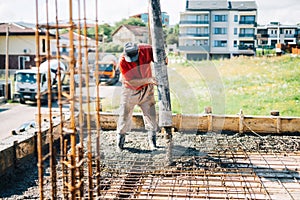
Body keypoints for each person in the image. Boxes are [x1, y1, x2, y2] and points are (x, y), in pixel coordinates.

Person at [116, 42, 158, 151]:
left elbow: (159, 56)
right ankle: (120, 142)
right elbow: (131, 81)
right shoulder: (122, 61)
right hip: (130, 90)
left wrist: (164, 59)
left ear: (139, 51)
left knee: (151, 115)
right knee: (124, 114)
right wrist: (149, 79)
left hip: (147, 89)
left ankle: (152, 142)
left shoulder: (147, 49)